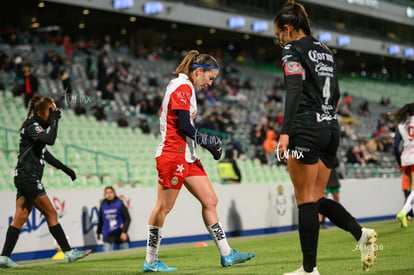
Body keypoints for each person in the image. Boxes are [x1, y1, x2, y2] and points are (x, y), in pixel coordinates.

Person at [273, 2, 377, 274]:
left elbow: (294, 89)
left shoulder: (291, 49)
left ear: (287, 29)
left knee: (305, 200)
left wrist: (285, 132)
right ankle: (361, 233)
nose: (279, 40)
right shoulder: (325, 50)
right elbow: (338, 92)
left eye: (279, 34)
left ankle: (309, 271)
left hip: (305, 131)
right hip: (330, 130)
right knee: (317, 197)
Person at [142, 50, 255, 272]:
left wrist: (202, 143)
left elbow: (185, 124)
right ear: (199, 71)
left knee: (210, 200)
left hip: (187, 155)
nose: (210, 84)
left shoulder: (185, 87)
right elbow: (184, 124)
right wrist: (206, 141)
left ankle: (227, 254)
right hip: (173, 154)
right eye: (210, 78)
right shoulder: (182, 86)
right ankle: (151, 260)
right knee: (164, 207)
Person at [0, 95, 91, 268]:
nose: (54, 114)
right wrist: (55, 123)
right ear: (42, 113)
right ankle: (69, 252)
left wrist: (65, 169)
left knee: (20, 217)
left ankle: (4, 257)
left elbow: (45, 154)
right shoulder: (33, 126)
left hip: (24, 177)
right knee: (51, 214)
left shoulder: (36, 127)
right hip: (29, 178)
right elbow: (51, 140)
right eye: (51, 111)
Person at [393, 103, 414, 228]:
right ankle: (403, 212)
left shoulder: (400, 125)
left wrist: (398, 162)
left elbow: (395, 146)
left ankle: (406, 215)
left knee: (412, 189)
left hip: (405, 158)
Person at [97, 186, 131, 252]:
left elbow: (127, 219)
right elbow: (100, 220)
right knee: (107, 257)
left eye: (111, 192)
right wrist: (98, 232)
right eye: (107, 193)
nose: (109, 194)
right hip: (108, 235)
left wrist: (124, 232)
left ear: (114, 193)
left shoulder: (119, 203)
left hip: (120, 233)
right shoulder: (103, 205)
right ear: (104, 195)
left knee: (126, 255)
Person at [319, 157, 341, 228]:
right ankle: (320, 222)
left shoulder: (332, 153)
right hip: (324, 180)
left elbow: (336, 163)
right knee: (323, 201)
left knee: (337, 200)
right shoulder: (321, 154)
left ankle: (338, 220)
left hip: (333, 179)